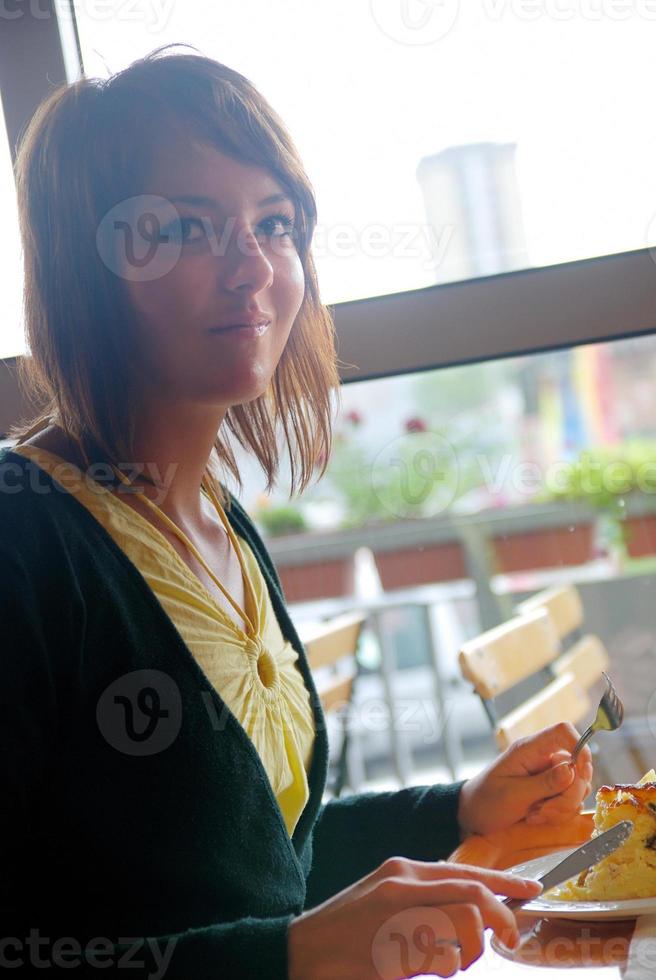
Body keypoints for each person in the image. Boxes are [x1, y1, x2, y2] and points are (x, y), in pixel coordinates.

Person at [0, 45, 593, 979]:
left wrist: (457, 809)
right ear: (89, 263)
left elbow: (271, 872)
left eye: (274, 225)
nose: (253, 271)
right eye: (191, 230)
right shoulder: (24, 536)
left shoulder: (221, 523)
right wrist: (287, 957)